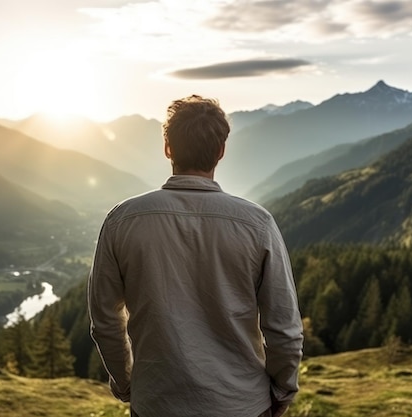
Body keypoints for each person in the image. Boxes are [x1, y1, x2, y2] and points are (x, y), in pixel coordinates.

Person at [88, 95, 303, 417]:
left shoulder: (122, 220)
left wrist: (126, 383)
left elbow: (105, 321)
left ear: (168, 149)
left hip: (156, 404)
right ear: (220, 151)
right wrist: (283, 390)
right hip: (242, 405)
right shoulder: (257, 224)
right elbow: (284, 327)